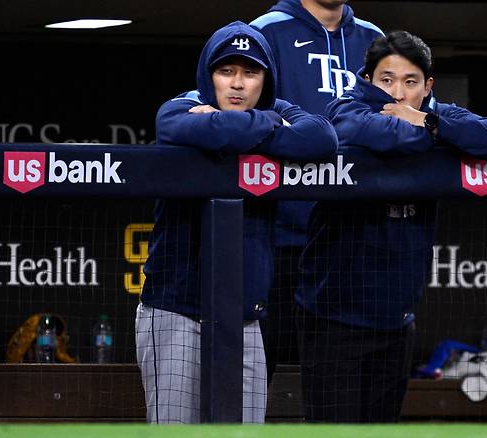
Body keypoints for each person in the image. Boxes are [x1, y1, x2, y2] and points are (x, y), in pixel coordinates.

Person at [295, 30, 487, 423]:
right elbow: (388, 134)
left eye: (410, 82)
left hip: (396, 323)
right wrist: (431, 130)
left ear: (428, 86)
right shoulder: (346, 109)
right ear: (367, 81)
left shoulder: (437, 113)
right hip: (333, 320)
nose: (397, 93)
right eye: (387, 80)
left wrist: (429, 120)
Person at [135, 21, 338, 424]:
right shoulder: (181, 106)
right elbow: (175, 125)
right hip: (176, 311)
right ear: (209, 75)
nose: (238, 84)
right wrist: (266, 128)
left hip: (246, 318)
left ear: (266, 79)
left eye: (250, 72)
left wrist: (241, 127)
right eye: (226, 71)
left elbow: (322, 138)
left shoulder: (280, 110)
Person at [251, 0, 384, 385]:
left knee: (339, 390)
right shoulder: (267, 31)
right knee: (252, 382)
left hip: (350, 246)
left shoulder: (372, 38)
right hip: (279, 242)